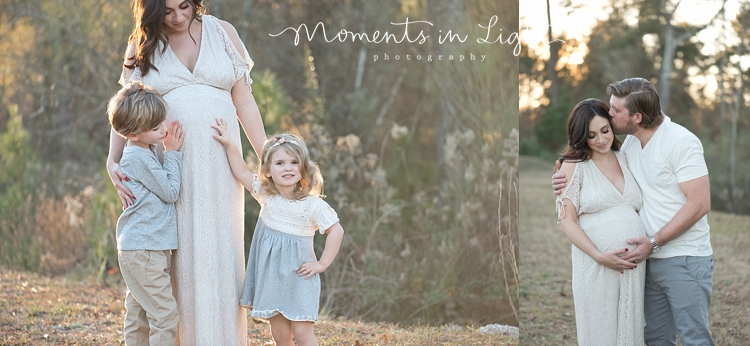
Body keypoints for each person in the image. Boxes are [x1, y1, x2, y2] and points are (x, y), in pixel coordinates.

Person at [106, 0, 267, 344]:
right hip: (171, 167)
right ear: (152, 10)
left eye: (185, 7)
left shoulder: (223, 33)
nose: (178, 18)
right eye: (167, 11)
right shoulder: (143, 42)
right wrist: (112, 159)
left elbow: (244, 102)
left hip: (222, 164)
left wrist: (265, 155)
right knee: (181, 254)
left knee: (221, 250)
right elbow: (127, 105)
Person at [553, 78, 713, 346]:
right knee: (654, 338)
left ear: (636, 117)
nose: (610, 115)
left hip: (682, 256)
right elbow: (582, 175)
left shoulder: (680, 142)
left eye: (615, 112)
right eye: (611, 109)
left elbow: (700, 203)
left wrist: (653, 242)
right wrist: (561, 172)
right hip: (642, 261)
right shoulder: (628, 146)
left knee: (693, 336)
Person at [212, 118, 345, 346]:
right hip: (272, 278)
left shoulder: (312, 205)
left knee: (302, 333)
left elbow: (336, 231)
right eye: (280, 163)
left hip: (300, 277)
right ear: (268, 171)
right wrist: (230, 144)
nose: (288, 168)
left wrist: (321, 264)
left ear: (303, 168)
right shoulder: (266, 195)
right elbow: (242, 172)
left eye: (294, 163)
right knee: (280, 335)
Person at [555, 98, 645, 345]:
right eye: (591, 135)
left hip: (632, 269)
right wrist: (598, 255)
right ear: (581, 137)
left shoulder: (624, 156)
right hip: (596, 264)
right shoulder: (574, 165)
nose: (601, 140)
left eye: (605, 130)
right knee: (601, 332)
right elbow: (567, 222)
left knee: (629, 332)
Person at [107, 81, 186, 345]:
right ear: (132, 134)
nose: (163, 129)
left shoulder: (142, 151)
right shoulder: (138, 158)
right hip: (146, 250)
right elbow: (171, 192)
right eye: (155, 128)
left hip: (140, 248)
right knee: (165, 315)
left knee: (139, 315)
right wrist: (172, 153)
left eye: (162, 121)